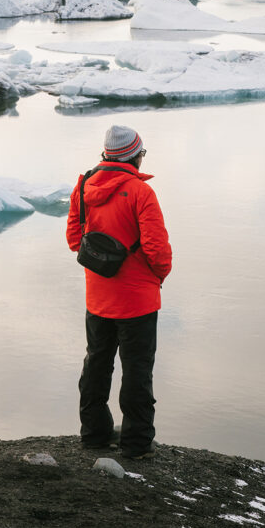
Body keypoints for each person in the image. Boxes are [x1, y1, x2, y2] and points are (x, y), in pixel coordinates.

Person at [66, 124, 172, 459]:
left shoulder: (83, 186)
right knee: (137, 372)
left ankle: (95, 434)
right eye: (142, 153)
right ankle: (137, 443)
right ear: (134, 156)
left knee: (97, 364)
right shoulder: (141, 193)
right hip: (138, 302)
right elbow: (157, 251)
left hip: (97, 298)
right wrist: (158, 276)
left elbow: (74, 240)